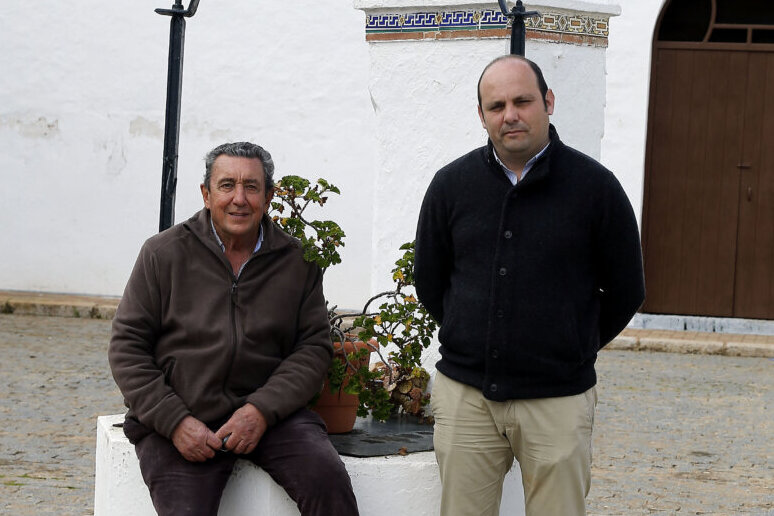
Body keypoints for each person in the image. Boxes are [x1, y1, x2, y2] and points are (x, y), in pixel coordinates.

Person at [414, 55, 645, 516]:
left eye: (522, 101)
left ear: (548, 102)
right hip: (467, 400)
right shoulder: (450, 186)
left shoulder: (595, 188)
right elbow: (430, 280)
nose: (510, 114)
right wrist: (472, 334)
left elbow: (626, 289)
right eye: (496, 105)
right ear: (482, 116)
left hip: (557, 400)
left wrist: (571, 345)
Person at [109, 141, 359, 516]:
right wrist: (175, 422)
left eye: (251, 186)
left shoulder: (297, 261)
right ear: (207, 194)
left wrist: (260, 410)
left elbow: (312, 349)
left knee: (329, 485)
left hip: (272, 414)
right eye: (227, 185)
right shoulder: (162, 254)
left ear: (269, 196)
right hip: (180, 414)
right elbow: (127, 348)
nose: (239, 198)